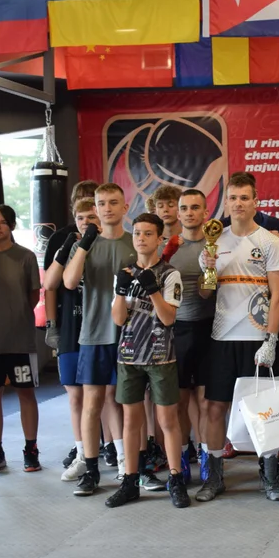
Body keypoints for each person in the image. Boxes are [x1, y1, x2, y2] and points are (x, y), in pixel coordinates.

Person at [198, 172, 279, 501]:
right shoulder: (214, 240)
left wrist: (271, 340)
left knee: (265, 408)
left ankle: (270, 475)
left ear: (255, 202)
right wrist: (208, 269)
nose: (238, 203)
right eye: (233, 198)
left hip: (257, 337)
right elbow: (205, 294)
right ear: (226, 202)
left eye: (244, 198)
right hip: (222, 336)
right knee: (215, 407)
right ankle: (214, 476)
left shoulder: (269, 241)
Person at [106, 213, 189, 508]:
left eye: (148, 233)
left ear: (159, 239)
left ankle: (176, 479)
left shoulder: (169, 274)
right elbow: (119, 319)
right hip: (129, 355)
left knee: (167, 420)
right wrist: (120, 291)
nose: (141, 238)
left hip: (160, 356)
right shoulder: (124, 273)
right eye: (137, 233)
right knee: (131, 420)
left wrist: (153, 289)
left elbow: (168, 318)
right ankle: (130, 480)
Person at [62, 183, 136, 496]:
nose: (107, 208)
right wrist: (85, 243)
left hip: (130, 333)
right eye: (101, 203)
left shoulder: (135, 242)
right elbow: (69, 282)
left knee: (127, 403)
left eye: (113, 202)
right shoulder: (85, 244)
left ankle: (129, 465)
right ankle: (90, 470)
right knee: (92, 403)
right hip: (93, 332)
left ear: (125, 207)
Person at [0, 205, 42, 474]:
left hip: (19, 340)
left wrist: (16, 315)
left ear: (12, 226)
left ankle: (31, 450)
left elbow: (33, 295)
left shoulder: (25, 256)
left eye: (3, 222)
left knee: (26, 393)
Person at [45, 196, 101, 482]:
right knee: (75, 395)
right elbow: (49, 284)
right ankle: (82, 453)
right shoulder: (67, 247)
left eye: (91, 217)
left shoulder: (107, 246)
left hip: (100, 330)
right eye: (81, 218)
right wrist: (52, 325)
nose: (86, 223)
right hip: (71, 329)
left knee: (107, 396)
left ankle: (113, 451)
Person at [160, 189, 212, 484]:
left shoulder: (214, 245)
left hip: (207, 328)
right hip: (175, 330)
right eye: (184, 208)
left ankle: (206, 459)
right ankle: (180, 460)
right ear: (178, 213)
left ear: (206, 212)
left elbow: (207, 293)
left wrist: (210, 269)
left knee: (205, 403)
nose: (190, 212)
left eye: (195, 207)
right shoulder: (167, 247)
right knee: (178, 401)